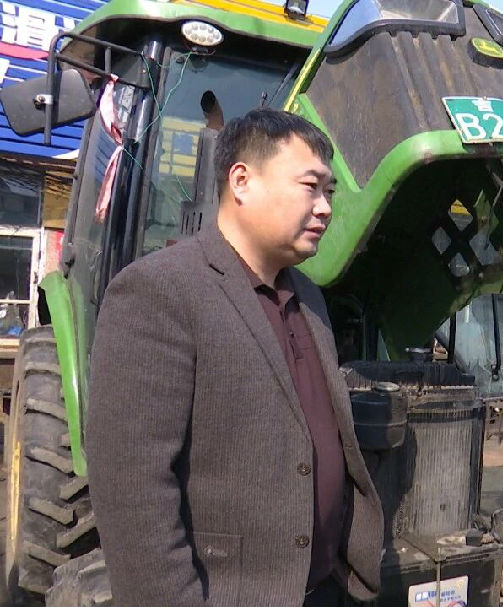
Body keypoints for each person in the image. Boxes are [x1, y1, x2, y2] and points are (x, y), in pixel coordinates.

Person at [87, 108, 383, 606]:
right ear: (241, 181)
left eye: (329, 191)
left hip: (322, 587)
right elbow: (133, 491)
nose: (326, 207)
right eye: (311, 186)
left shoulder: (310, 297)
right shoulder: (161, 291)